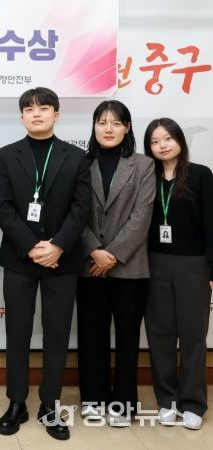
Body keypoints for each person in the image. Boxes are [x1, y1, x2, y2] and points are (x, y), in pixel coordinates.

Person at [0, 87, 91, 440]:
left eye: (44, 108)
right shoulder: (6, 155)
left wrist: (58, 245)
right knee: (17, 333)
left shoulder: (76, 157)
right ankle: (16, 402)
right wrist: (32, 246)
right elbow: (2, 207)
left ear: (56, 115)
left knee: (57, 334)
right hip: (20, 258)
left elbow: (81, 208)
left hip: (62, 260)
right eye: (29, 109)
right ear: (21, 116)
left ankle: (50, 404)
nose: (36, 114)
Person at [76, 100, 155, 426]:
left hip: (130, 267)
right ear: (94, 126)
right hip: (89, 265)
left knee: (127, 339)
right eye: (102, 122)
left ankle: (123, 403)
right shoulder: (81, 163)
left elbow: (142, 215)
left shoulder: (144, 165)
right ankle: (92, 399)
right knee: (91, 336)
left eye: (116, 123)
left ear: (127, 128)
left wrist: (112, 255)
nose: (108, 129)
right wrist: (94, 250)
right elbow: (73, 212)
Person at [143, 118, 213, 430]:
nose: (162, 145)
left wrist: (211, 267)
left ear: (180, 141)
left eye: (168, 138)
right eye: (155, 141)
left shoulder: (200, 174)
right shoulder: (147, 176)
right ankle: (167, 400)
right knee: (160, 334)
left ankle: (193, 403)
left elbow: (211, 223)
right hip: (154, 263)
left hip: (194, 264)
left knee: (194, 334)